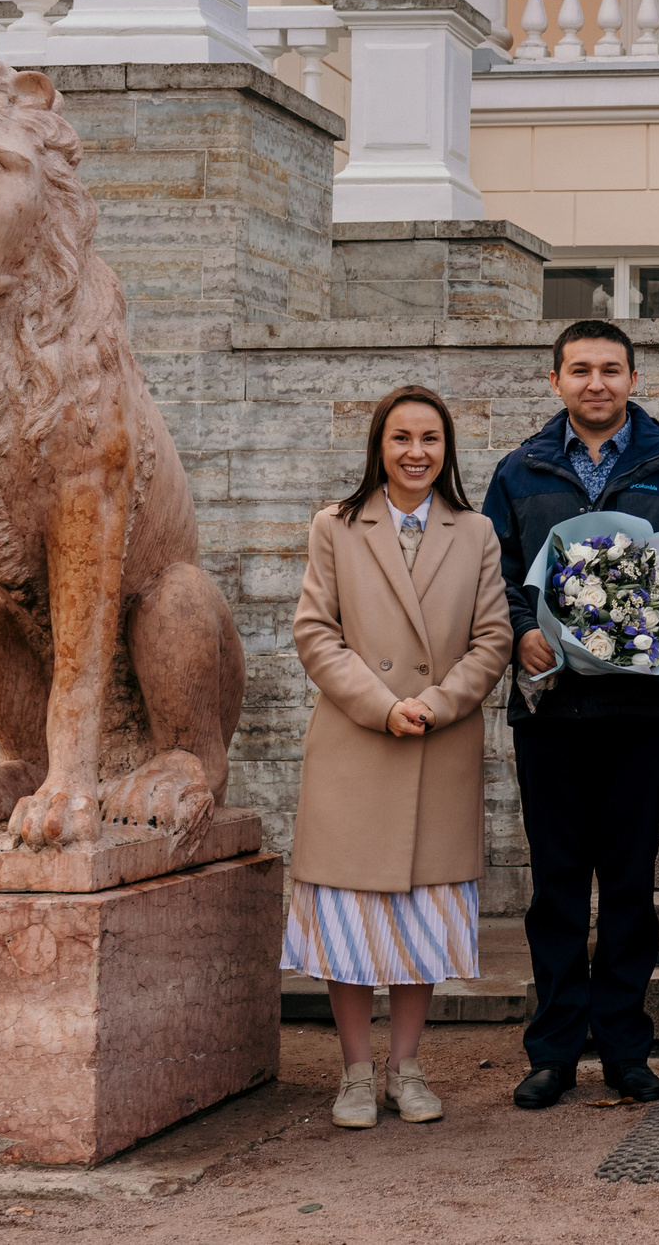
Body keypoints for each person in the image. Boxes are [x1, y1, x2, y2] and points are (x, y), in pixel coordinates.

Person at [481, 319, 659, 1111]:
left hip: (641, 707)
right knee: (557, 881)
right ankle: (554, 1049)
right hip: (552, 706)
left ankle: (626, 1046)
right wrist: (524, 630)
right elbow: (493, 572)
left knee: (627, 882)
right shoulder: (519, 471)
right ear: (554, 379)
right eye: (581, 369)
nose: (597, 382)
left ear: (633, 379)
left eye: (611, 369)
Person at [286, 386, 513, 1130]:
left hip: (438, 744)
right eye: (401, 438)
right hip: (358, 741)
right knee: (349, 921)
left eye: (431, 439)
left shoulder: (475, 530)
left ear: (448, 449)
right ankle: (355, 1074)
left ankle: (406, 1068)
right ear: (378, 447)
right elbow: (316, 631)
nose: (416, 451)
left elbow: (494, 638)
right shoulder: (337, 525)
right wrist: (383, 704)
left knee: (421, 920)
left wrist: (438, 702)